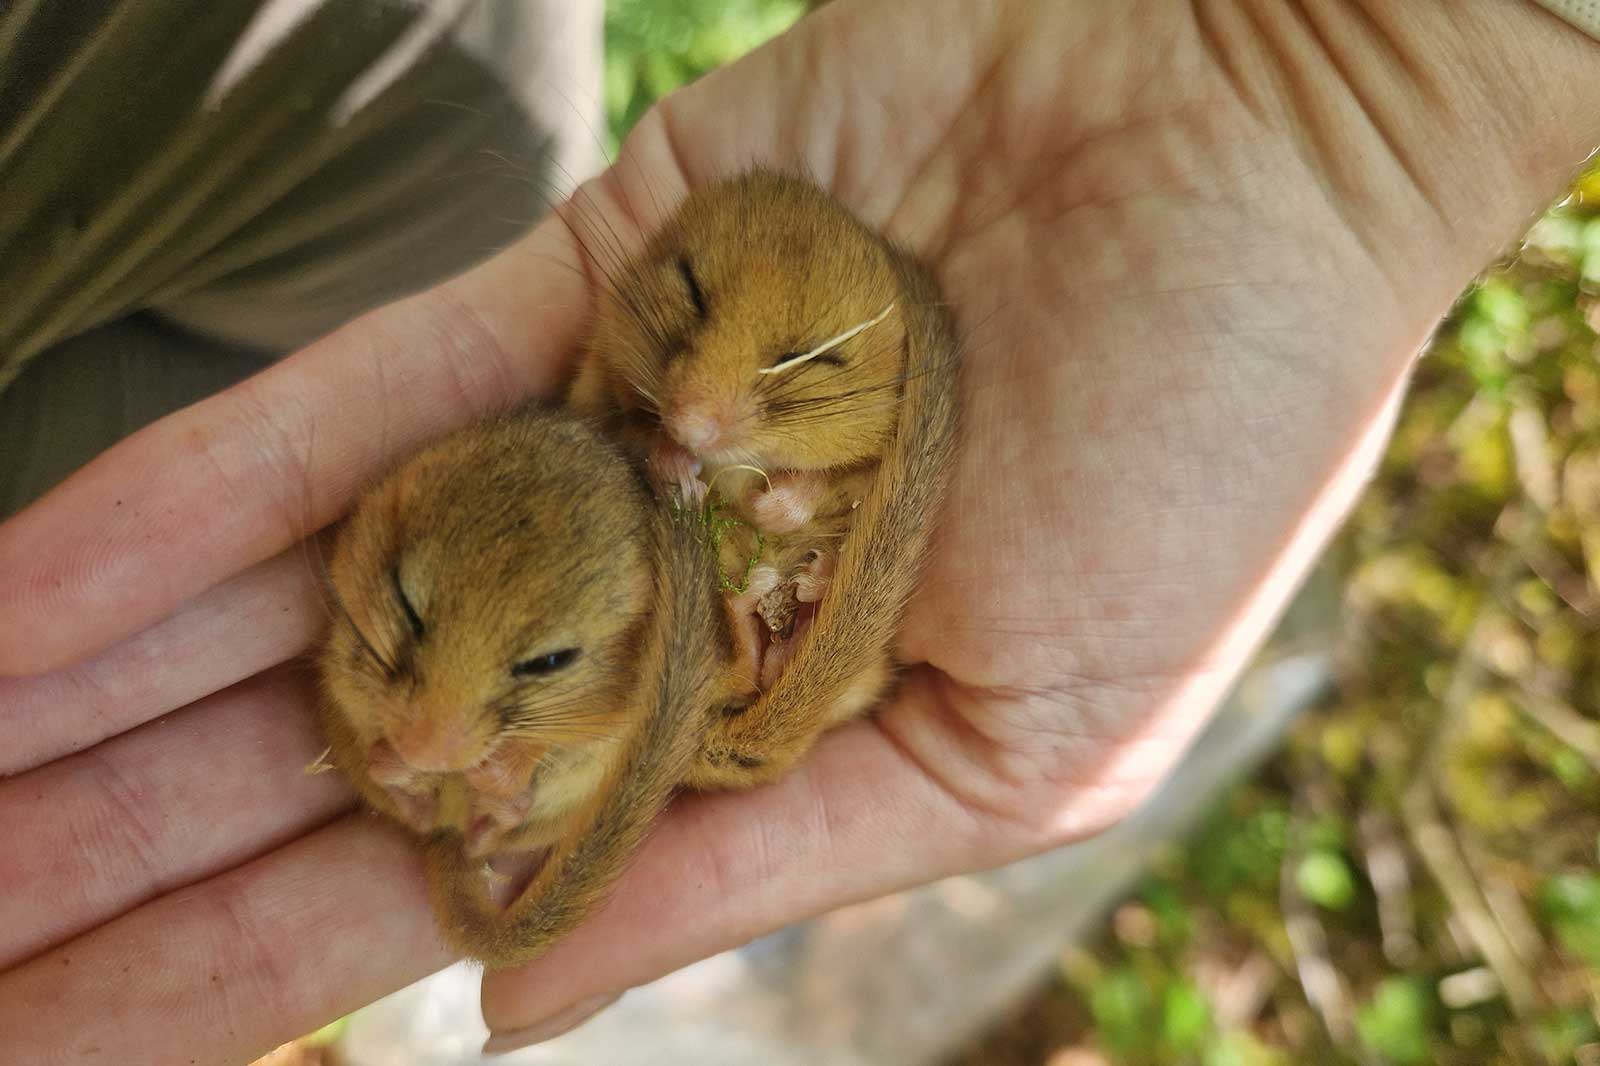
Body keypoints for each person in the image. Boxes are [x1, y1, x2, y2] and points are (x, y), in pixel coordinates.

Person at [0, 0, 1596, 1060]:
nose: (690, 400)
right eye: (680, 303)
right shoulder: (592, 429)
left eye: (786, 380)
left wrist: (1355, 117)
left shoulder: (819, 487)